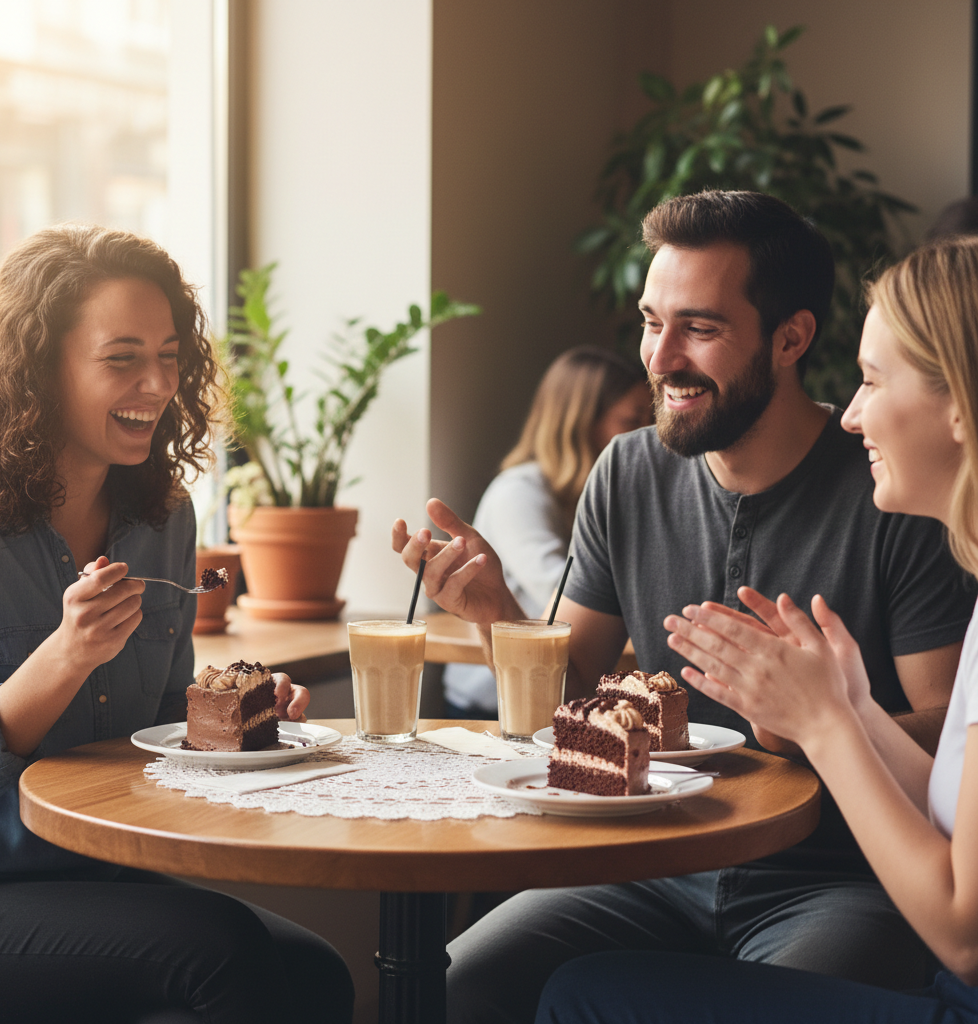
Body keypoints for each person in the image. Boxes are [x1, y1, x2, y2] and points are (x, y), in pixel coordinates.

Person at [392, 191, 976, 1024]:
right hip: (649, 867)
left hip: (836, 882)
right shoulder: (626, 473)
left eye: (698, 328)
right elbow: (568, 707)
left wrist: (809, 722)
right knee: (464, 990)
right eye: (649, 321)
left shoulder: (897, 488)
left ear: (791, 339)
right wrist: (496, 615)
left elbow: (948, 748)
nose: (659, 358)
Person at [0, 226, 354, 1023]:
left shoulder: (164, 515)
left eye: (170, 355)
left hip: (104, 874)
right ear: (39, 371)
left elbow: (166, 726)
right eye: (122, 357)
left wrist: (240, 714)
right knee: (224, 958)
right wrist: (64, 657)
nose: (158, 382)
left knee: (319, 974)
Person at [444, 346, 650, 717]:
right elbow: (561, 596)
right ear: (581, 423)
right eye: (633, 420)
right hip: (493, 704)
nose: (648, 435)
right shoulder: (518, 493)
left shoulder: (590, 495)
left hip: (559, 695)